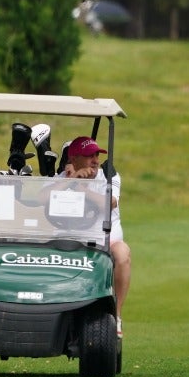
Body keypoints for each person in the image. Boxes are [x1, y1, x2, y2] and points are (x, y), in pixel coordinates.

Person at [61, 135, 131, 337]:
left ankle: (115, 316)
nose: (95, 160)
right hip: (72, 240)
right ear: (74, 159)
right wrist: (71, 181)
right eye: (88, 156)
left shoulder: (109, 176)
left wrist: (82, 187)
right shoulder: (64, 178)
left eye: (96, 155)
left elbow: (110, 203)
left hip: (106, 241)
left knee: (123, 254)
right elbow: (41, 198)